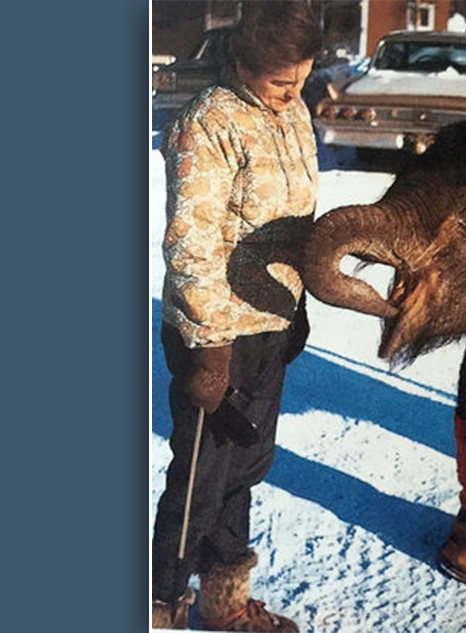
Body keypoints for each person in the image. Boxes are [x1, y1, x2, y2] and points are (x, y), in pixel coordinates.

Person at [151, 3, 321, 630]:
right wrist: (211, 351)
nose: (293, 91)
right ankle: (160, 606)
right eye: (280, 80)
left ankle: (224, 605)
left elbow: (295, 218)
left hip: (271, 322)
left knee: (245, 468)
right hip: (216, 333)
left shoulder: (292, 112)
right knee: (199, 480)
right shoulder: (208, 122)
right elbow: (189, 247)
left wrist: (298, 301)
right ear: (243, 64)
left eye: (303, 75)